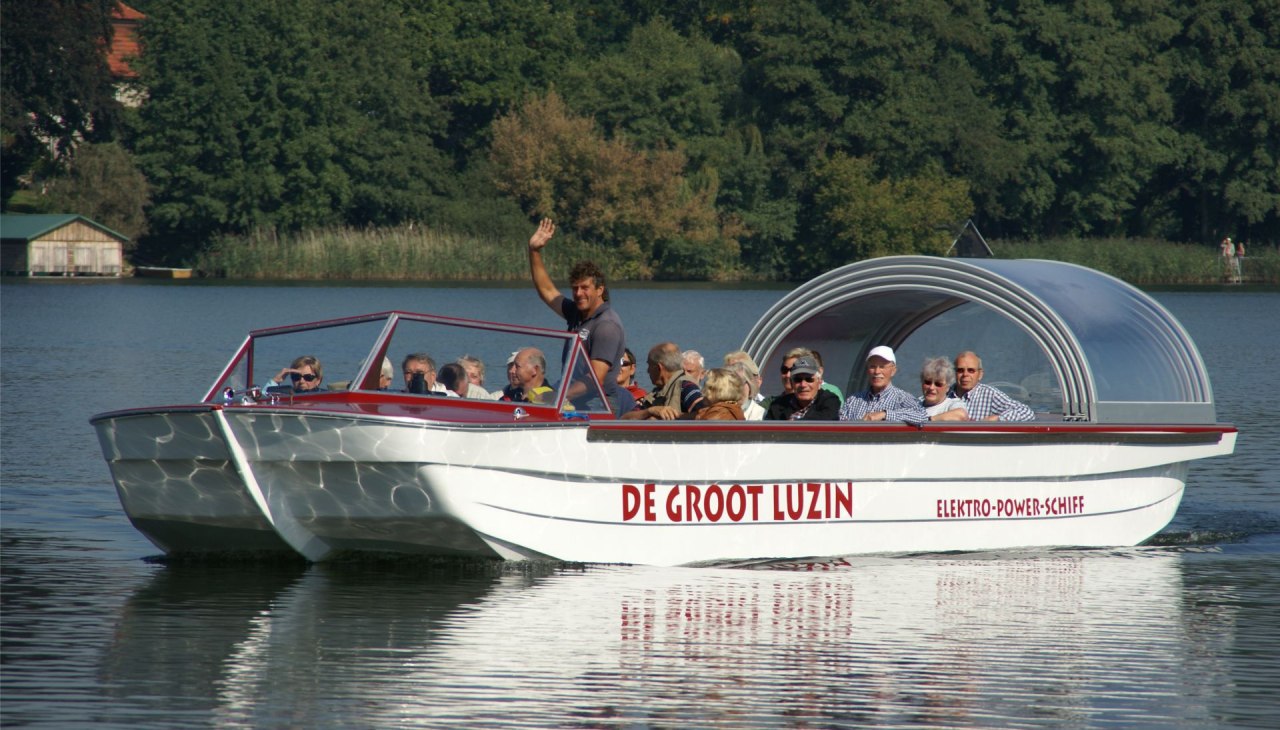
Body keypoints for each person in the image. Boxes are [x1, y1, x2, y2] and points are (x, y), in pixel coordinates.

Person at [526, 218, 629, 412]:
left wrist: (559, 395)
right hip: (575, 396)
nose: (579, 293)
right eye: (575, 288)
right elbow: (547, 291)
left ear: (600, 290)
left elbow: (595, 378)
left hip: (599, 403)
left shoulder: (606, 325)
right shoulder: (577, 312)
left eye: (585, 288)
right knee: (526, 405)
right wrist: (534, 251)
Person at [838, 346, 927, 423]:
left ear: (893, 371)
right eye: (872, 367)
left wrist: (884, 414)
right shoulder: (853, 400)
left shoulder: (902, 398)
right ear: (867, 370)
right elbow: (841, 426)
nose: (877, 371)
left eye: (882, 367)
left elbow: (922, 416)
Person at [623, 342, 706, 420]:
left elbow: (704, 413)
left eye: (649, 365)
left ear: (658, 367)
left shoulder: (686, 386)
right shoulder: (657, 392)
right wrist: (649, 411)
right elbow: (625, 418)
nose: (648, 371)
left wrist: (672, 418)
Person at [949, 351, 1035, 421]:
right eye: (960, 370)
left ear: (980, 375)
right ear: (954, 373)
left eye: (971, 370)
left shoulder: (989, 395)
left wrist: (998, 419)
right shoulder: (944, 393)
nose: (965, 374)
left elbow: (1026, 412)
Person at [765, 355, 841, 420]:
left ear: (819, 382)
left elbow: (825, 421)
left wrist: (793, 425)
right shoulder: (778, 405)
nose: (803, 384)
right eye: (798, 380)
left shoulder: (829, 401)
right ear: (792, 383)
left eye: (809, 379)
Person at [917, 356, 968, 421]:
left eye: (938, 384)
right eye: (927, 382)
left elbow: (961, 416)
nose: (931, 388)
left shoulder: (952, 404)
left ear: (947, 388)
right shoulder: (915, 404)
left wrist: (928, 420)